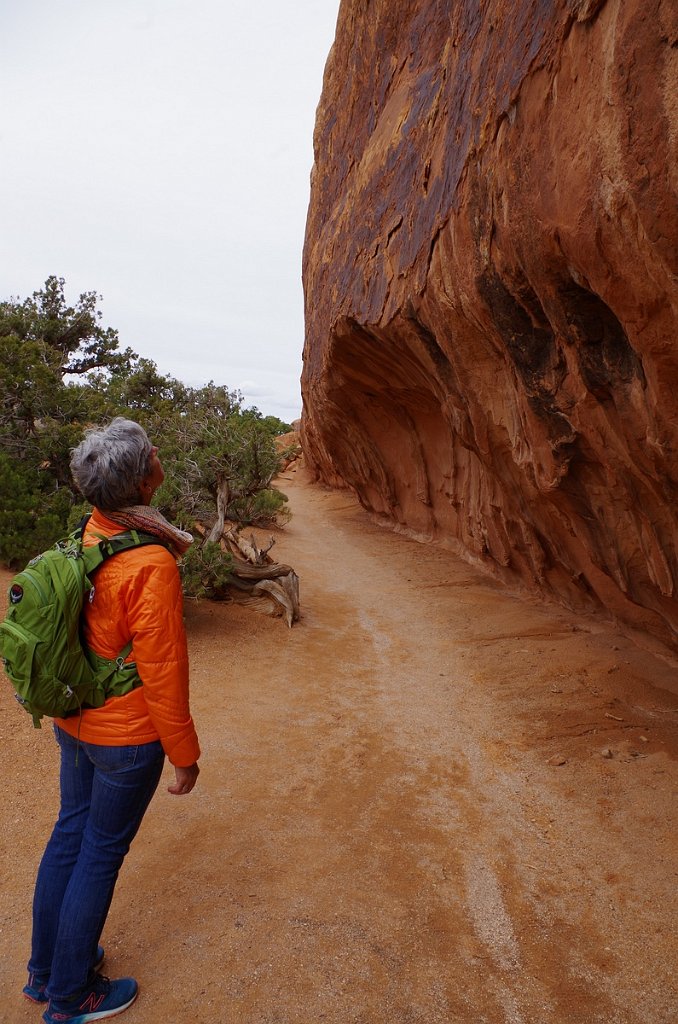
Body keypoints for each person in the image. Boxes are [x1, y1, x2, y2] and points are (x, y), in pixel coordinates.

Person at [23, 417, 201, 1024]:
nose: (158, 452)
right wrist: (183, 751)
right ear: (143, 482)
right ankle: (71, 998)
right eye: (153, 451)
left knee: (70, 835)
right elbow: (163, 667)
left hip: (74, 720)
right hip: (125, 738)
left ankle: (45, 972)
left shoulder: (92, 534)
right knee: (99, 853)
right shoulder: (150, 560)